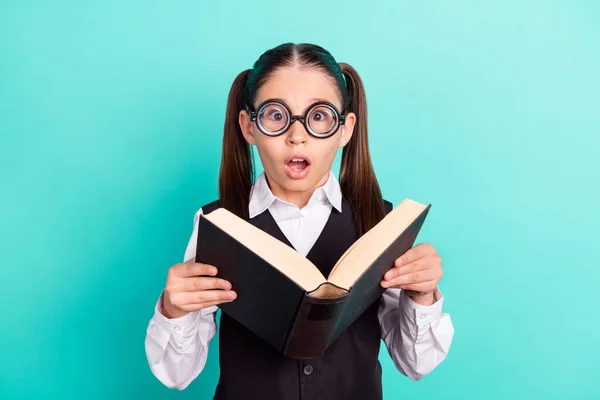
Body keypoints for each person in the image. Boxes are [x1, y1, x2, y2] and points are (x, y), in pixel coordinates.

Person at [145, 42, 454, 399]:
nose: (297, 135)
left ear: (345, 129)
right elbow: (176, 375)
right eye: (276, 116)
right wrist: (175, 309)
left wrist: (423, 296)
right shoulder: (219, 223)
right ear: (249, 127)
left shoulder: (380, 224)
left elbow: (417, 364)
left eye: (318, 116)